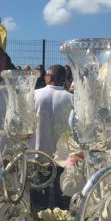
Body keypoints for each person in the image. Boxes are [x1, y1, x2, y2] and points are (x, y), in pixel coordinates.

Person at [31, 64, 74, 211]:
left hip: (38, 154)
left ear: (49, 77)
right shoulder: (72, 99)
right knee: (63, 204)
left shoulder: (34, 95)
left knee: (38, 205)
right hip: (64, 157)